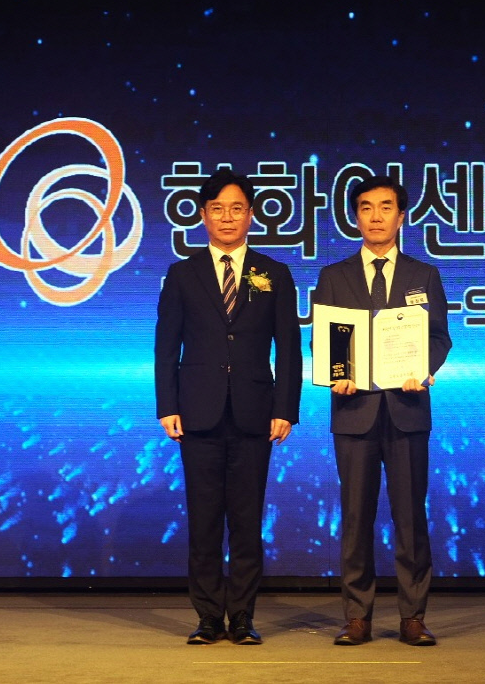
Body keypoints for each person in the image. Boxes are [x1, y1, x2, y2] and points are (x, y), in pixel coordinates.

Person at [154, 167, 302, 645]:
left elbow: (289, 348)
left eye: (236, 208)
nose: (227, 217)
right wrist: (167, 404)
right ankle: (206, 617)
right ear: (203, 215)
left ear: (251, 215)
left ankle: (241, 616)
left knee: (245, 520)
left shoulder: (273, 273)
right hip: (197, 412)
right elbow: (166, 346)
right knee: (203, 521)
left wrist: (286, 408)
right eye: (217, 209)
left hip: (255, 413)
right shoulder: (182, 274)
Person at [312, 173, 452, 647]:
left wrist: (423, 368)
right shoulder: (334, 276)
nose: (376, 216)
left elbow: (439, 337)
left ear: (401, 216)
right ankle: (357, 616)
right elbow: (324, 341)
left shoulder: (423, 275)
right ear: (355, 217)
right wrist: (335, 373)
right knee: (356, 518)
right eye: (366, 208)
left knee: (411, 518)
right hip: (354, 411)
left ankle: (413, 616)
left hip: (407, 409)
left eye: (385, 207)